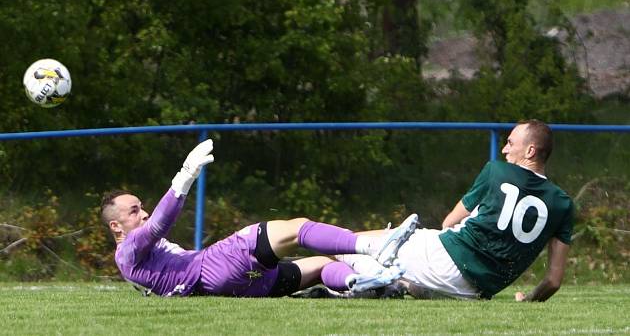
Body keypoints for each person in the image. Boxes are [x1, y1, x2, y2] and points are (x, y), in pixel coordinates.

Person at [101, 139, 418, 297]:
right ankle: (372, 248)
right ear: (116, 226)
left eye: (141, 206)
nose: (142, 213)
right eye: (133, 211)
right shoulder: (127, 251)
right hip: (214, 267)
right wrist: (185, 176)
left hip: (235, 287)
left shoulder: (136, 260)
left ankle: (360, 282)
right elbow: (159, 224)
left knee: (321, 266)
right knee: (296, 228)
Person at [337, 119, 574, 301]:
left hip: (445, 262)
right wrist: (529, 300)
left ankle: (306, 261)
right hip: (474, 292)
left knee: (346, 244)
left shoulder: (496, 172)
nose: (504, 150)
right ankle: (392, 285)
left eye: (510, 143)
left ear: (530, 151)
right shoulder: (563, 203)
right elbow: (553, 281)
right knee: (394, 270)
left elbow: (449, 222)